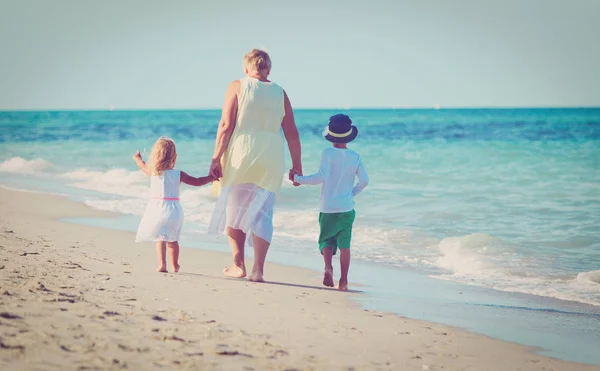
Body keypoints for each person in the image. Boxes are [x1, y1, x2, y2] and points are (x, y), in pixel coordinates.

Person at [208, 49, 302, 282]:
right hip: (271, 156)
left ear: (246, 68)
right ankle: (258, 270)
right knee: (264, 213)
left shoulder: (237, 85)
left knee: (234, 209)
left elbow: (226, 125)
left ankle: (238, 264)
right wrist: (296, 166)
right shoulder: (280, 92)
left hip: (241, 152)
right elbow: (291, 133)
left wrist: (215, 157)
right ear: (268, 69)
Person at [290, 114, 368, 291]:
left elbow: (321, 177)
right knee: (345, 245)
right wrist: (351, 194)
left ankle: (327, 267)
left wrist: (298, 178)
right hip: (346, 208)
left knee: (326, 240)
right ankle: (344, 281)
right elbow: (364, 180)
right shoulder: (355, 156)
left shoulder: (327, 153)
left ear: (331, 135)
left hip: (327, 208)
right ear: (349, 135)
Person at [133, 136, 214, 273]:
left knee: (160, 238)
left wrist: (137, 158)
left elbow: (142, 166)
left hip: (157, 210)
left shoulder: (153, 172)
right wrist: (211, 178)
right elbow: (197, 182)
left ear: (155, 155)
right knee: (173, 240)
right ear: (174, 156)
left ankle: (162, 264)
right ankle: (175, 265)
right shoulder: (178, 174)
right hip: (174, 211)